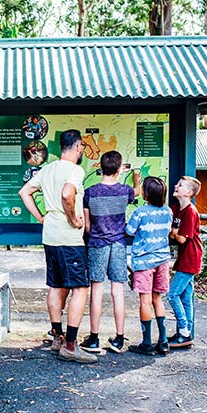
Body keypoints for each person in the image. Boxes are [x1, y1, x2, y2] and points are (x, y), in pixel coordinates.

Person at [18, 129, 96, 363]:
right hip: (68, 238)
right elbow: (67, 193)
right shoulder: (75, 170)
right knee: (80, 288)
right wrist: (72, 218)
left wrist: (41, 217)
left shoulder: (47, 169)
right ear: (78, 147)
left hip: (50, 235)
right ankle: (71, 345)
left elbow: (24, 192)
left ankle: (57, 337)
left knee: (56, 284)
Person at [80, 151, 140, 354]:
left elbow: (87, 227)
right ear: (119, 169)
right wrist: (136, 179)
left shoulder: (90, 193)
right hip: (119, 244)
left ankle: (94, 338)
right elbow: (138, 191)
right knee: (118, 290)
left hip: (97, 243)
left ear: (100, 168)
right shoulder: (125, 191)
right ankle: (119, 338)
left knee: (96, 289)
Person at [124, 177, 174, 356]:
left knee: (145, 301)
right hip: (162, 261)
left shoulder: (140, 212)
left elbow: (129, 231)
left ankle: (146, 343)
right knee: (157, 299)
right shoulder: (168, 212)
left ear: (145, 194)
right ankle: (163, 341)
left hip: (144, 262)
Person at [167, 176, 203, 349]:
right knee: (186, 297)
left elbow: (180, 238)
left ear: (189, 193)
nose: (176, 185)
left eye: (180, 185)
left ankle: (184, 331)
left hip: (190, 258)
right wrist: (173, 231)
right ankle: (187, 334)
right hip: (185, 258)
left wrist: (173, 232)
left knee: (172, 294)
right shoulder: (176, 208)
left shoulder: (190, 211)